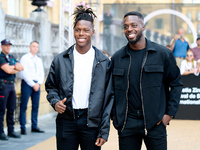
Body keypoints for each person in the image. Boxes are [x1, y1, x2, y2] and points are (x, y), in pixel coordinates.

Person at [110, 11, 183, 150]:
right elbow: (111, 89)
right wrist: (115, 116)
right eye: (126, 26)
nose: (129, 29)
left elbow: (176, 84)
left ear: (143, 27)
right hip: (127, 124)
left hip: (155, 123)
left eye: (134, 25)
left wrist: (169, 114)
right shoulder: (117, 58)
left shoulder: (163, 54)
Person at [45, 7, 113, 150]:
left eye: (86, 30)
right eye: (78, 29)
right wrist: (55, 101)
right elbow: (51, 87)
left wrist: (104, 130)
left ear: (92, 32)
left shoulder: (103, 62)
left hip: (92, 123)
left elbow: (108, 98)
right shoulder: (60, 59)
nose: (81, 33)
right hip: (66, 121)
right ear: (74, 31)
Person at [0, 39, 24, 140]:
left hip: (12, 85)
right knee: (1, 110)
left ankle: (11, 131)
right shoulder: (0, 57)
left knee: (11, 109)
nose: (8, 47)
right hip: (3, 86)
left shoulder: (12, 57)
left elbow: (21, 67)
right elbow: (8, 70)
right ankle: (1, 132)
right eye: (6, 46)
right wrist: (14, 68)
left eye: (9, 45)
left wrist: (12, 67)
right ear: (2, 46)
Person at [19, 41, 45, 135]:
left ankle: (34, 126)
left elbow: (42, 73)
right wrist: (32, 84)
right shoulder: (25, 58)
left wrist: (38, 83)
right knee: (24, 106)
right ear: (30, 47)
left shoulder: (39, 60)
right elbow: (23, 73)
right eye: (33, 46)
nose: (35, 48)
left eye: (37, 47)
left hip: (37, 84)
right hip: (27, 84)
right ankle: (23, 127)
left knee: (35, 106)